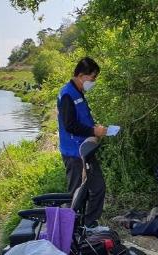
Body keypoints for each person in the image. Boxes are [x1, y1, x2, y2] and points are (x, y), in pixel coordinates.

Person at [57, 57, 107, 226]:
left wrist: (95, 128)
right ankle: (71, 230)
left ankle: (89, 224)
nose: (94, 82)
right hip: (74, 153)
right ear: (81, 75)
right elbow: (69, 125)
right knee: (77, 194)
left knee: (98, 188)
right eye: (92, 78)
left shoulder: (78, 92)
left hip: (86, 150)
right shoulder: (67, 94)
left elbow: (82, 119)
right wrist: (93, 131)